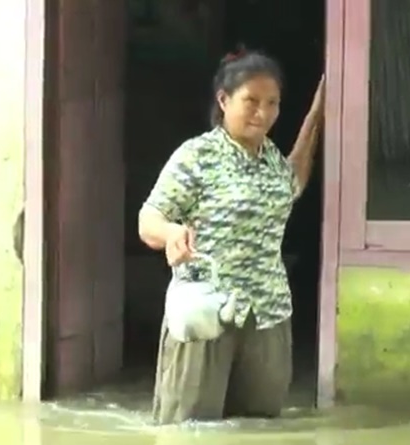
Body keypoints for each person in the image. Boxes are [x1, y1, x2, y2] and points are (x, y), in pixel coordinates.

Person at [137, 47, 324, 425]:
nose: (263, 112)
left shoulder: (271, 158)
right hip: (205, 311)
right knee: (189, 427)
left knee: (257, 425)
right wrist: (171, 232)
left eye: (272, 103)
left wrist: (317, 117)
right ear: (223, 100)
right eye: (251, 101)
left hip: (267, 313)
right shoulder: (197, 156)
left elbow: (293, 183)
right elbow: (149, 218)